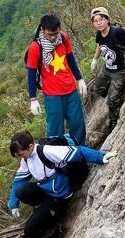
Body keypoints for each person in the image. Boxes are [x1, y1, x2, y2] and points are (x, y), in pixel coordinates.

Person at [7, 131, 116, 238]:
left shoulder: (46, 152)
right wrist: (13, 203)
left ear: (30, 146)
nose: (20, 157)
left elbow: (78, 152)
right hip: (46, 192)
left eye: (21, 154)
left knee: (29, 228)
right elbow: (19, 180)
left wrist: (100, 157)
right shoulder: (27, 159)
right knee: (21, 191)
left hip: (58, 197)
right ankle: (43, 213)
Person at [26, 14, 88, 145]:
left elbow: (70, 59)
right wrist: (33, 99)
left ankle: (79, 152)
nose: (53, 37)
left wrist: (79, 78)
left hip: (70, 89)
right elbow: (31, 73)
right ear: (42, 30)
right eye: (50, 34)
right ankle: (57, 156)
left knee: (78, 125)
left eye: (56, 33)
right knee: (55, 130)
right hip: (52, 94)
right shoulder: (36, 47)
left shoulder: (63, 38)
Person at [88, 7, 125, 133]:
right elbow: (99, 45)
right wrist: (95, 59)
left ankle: (114, 123)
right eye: (95, 21)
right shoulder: (99, 33)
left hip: (120, 71)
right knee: (96, 89)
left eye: (101, 19)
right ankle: (114, 93)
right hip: (107, 68)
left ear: (107, 20)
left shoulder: (117, 31)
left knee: (112, 102)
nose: (99, 23)